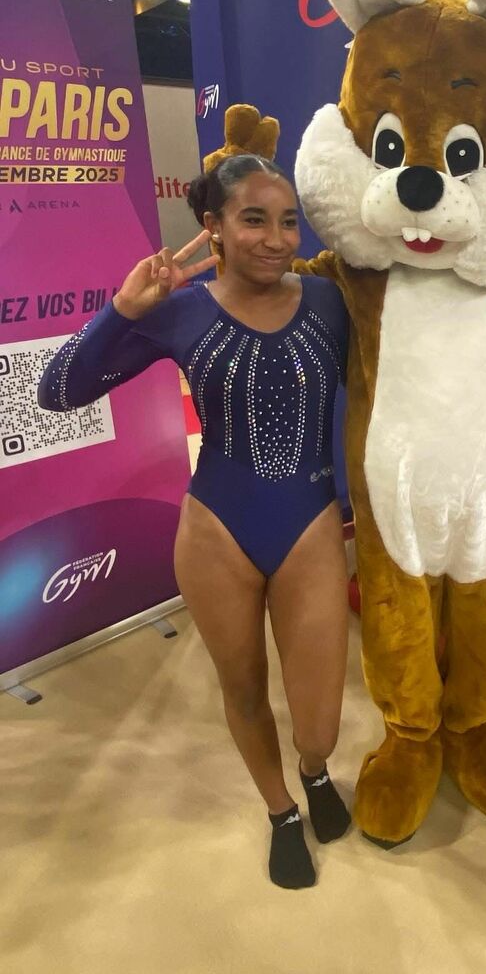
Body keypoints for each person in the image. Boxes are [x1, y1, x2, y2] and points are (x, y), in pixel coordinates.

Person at [39, 155, 351, 889]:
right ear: (213, 226)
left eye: (288, 221)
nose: (276, 238)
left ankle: (313, 769)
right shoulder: (180, 311)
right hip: (217, 532)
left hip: (311, 524)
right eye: (253, 220)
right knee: (242, 687)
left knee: (321, 722)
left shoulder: (330, 299)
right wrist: (123, 309)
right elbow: (58, 391)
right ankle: (280, 811)